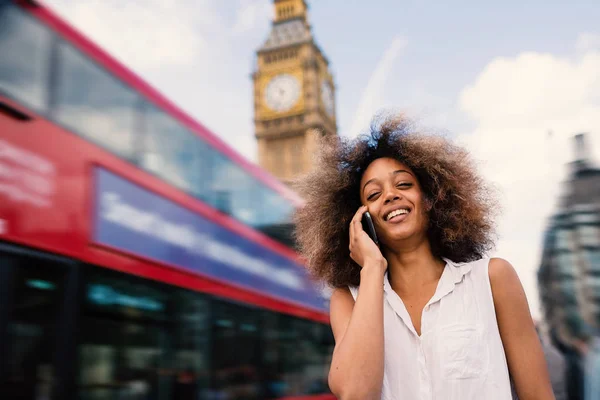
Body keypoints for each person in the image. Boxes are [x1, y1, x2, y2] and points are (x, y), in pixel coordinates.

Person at [293, 114, 555, 400]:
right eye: (374, 194)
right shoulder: (348, 301)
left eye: (403, 185)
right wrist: (371, 268)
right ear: (359, 219)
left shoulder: (493, 279)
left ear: (430, 199)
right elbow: (356, 394)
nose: (390, 195)